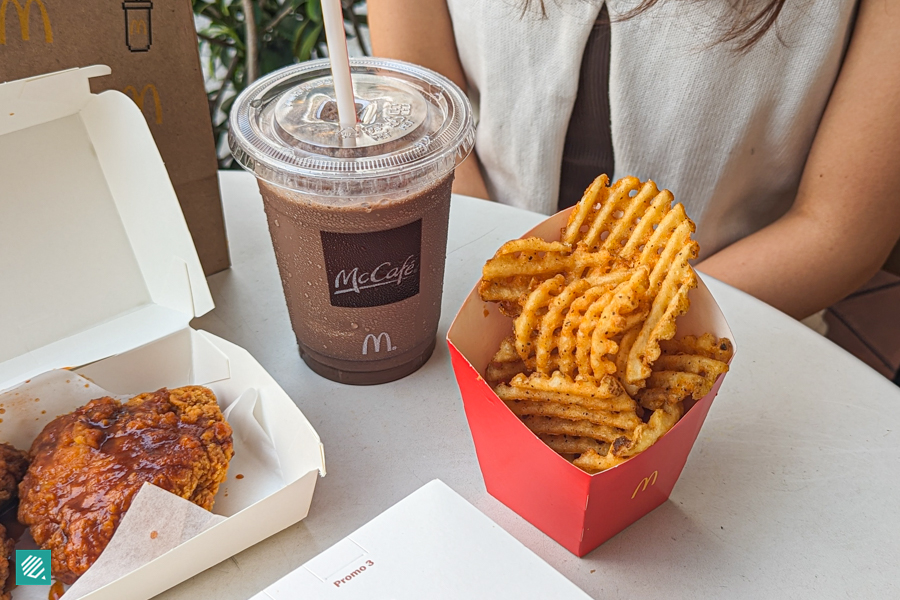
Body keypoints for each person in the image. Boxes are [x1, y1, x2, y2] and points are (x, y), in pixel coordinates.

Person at [367, 0, 900, 322]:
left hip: (735, 319)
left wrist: (631, 325)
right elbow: (420, 104)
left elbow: (839, 230)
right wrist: (493, 286)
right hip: (464, 272)